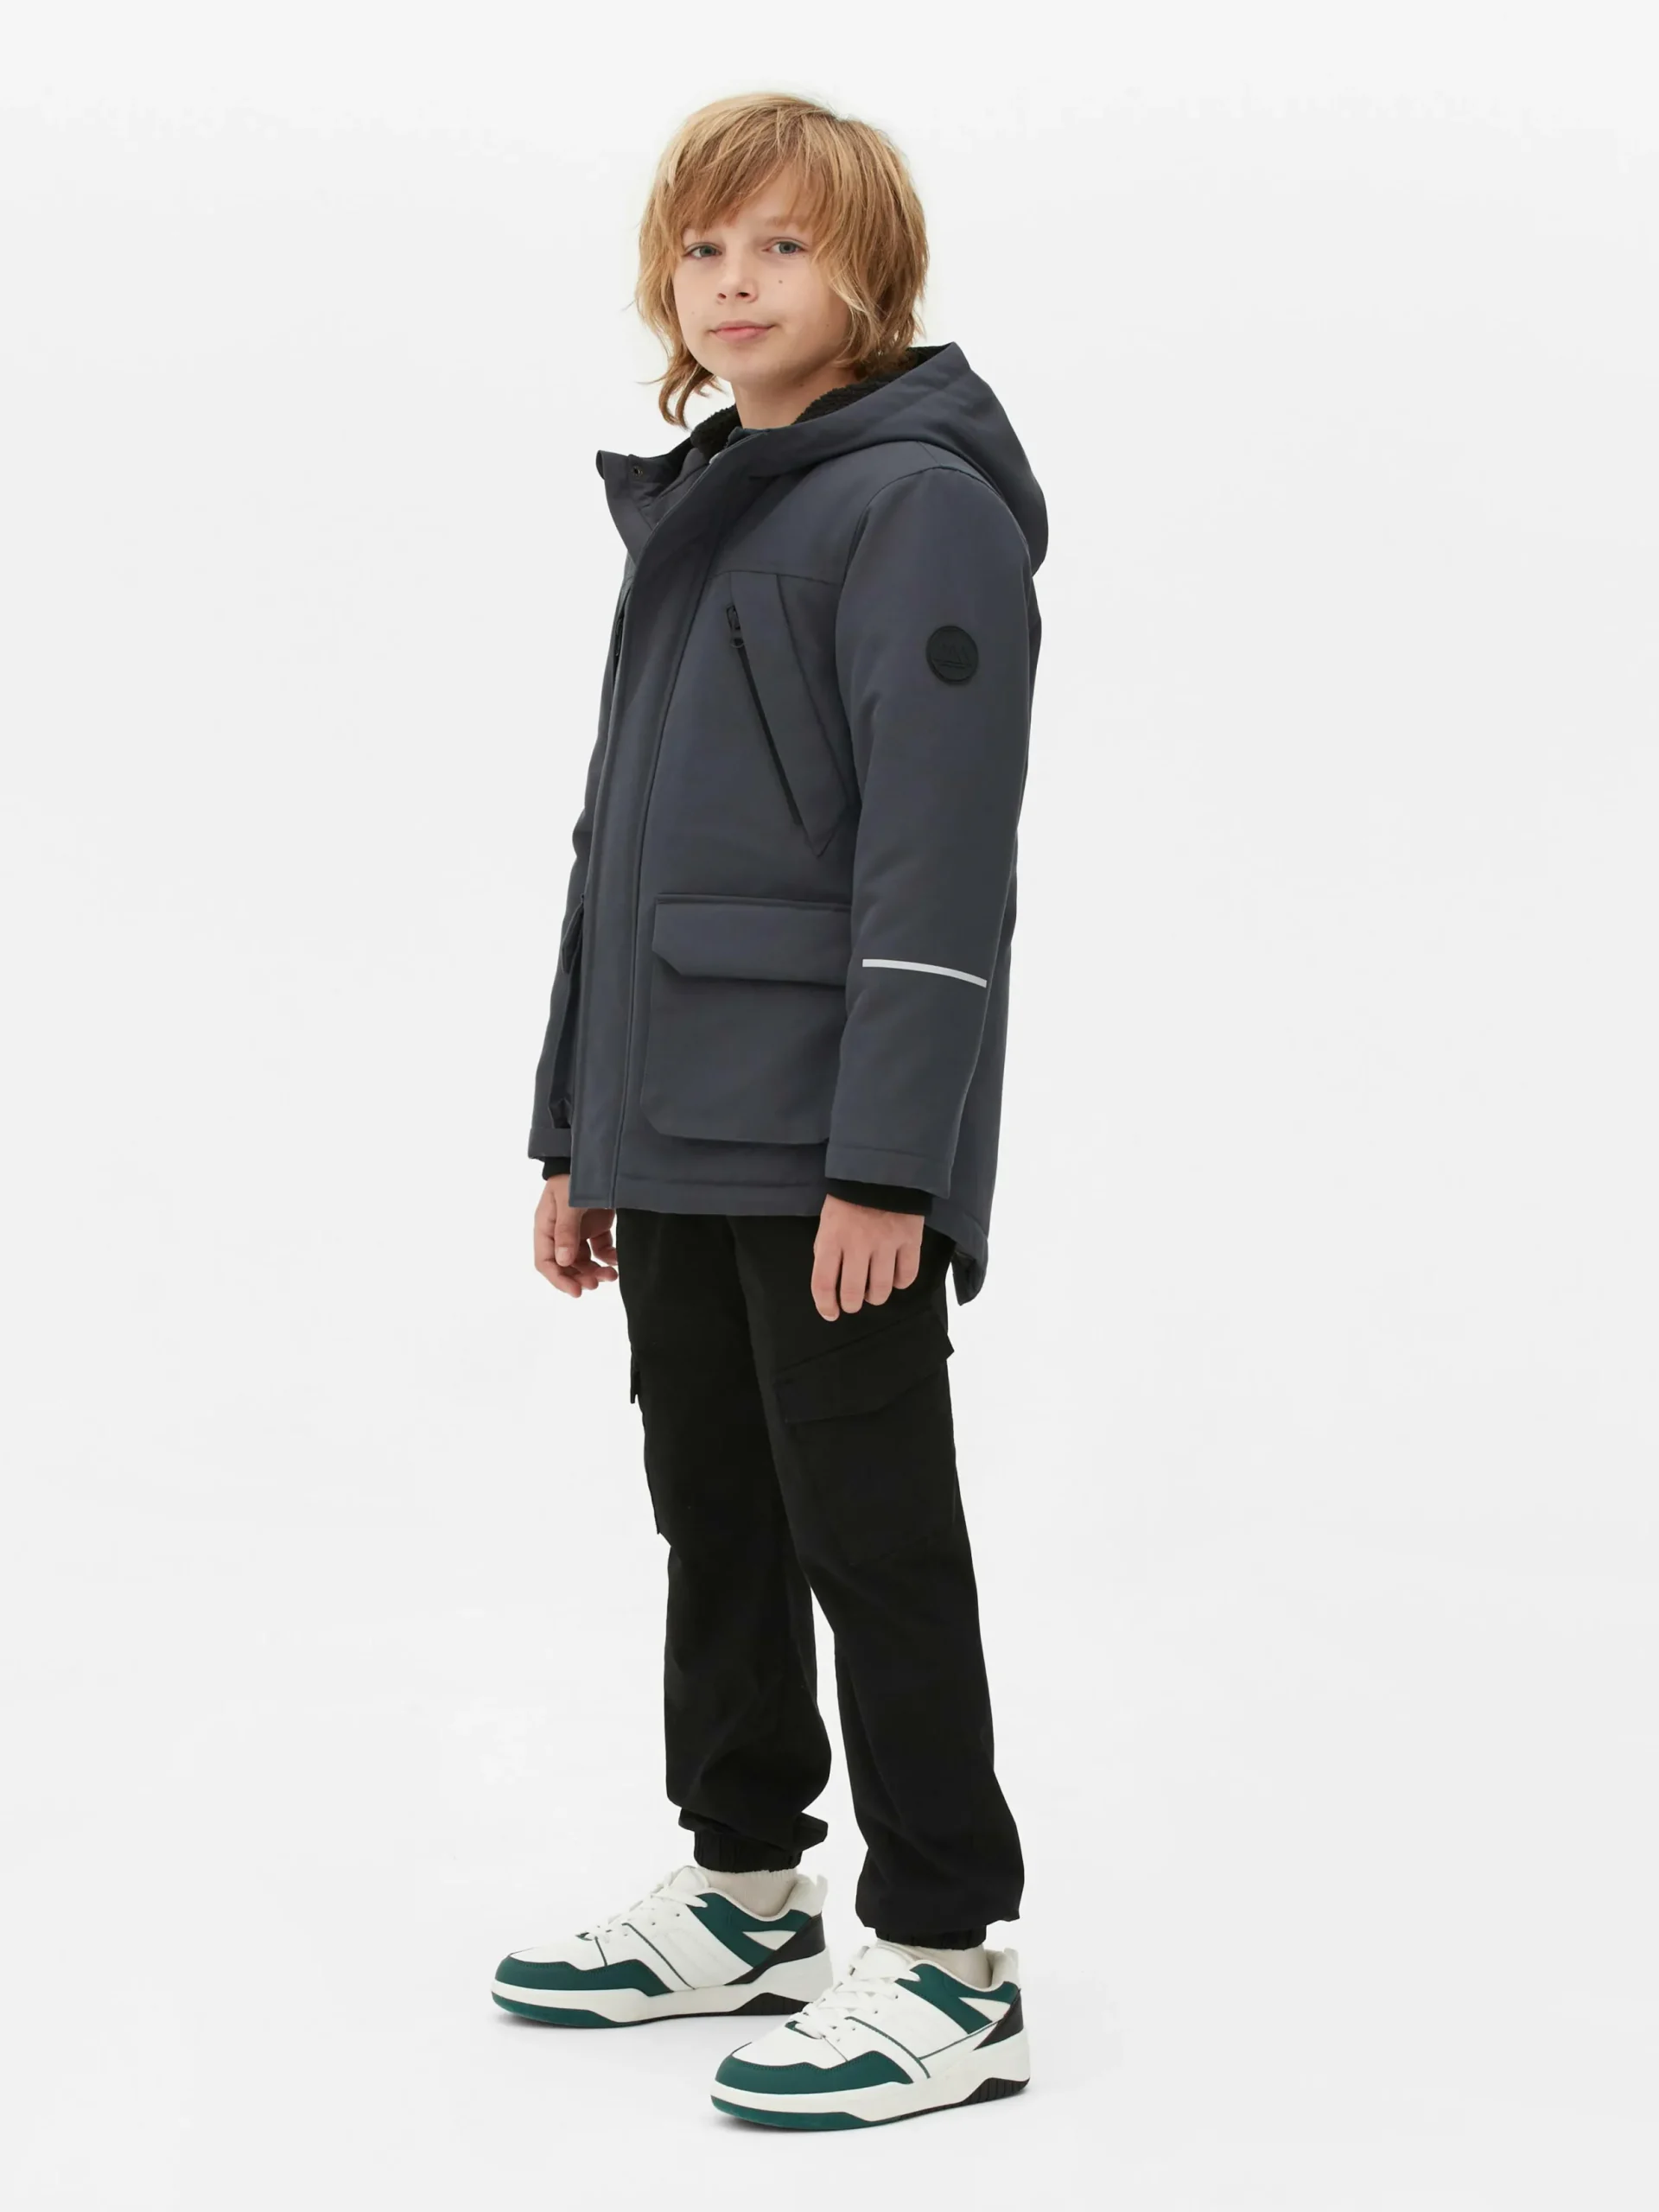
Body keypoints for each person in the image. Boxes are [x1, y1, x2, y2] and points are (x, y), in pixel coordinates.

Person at [492, 91, 1046, 2132]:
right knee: (714, 1507)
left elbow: (937, 859)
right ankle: (745, 1882)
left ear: (869, 272)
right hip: (676, 1125)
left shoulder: (917, 506)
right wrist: (578, 1126)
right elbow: (614, 849)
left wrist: (891, 1158)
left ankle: (949, 1953)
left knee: (870, 1531)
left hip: (827, 1142)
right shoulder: (718, 499)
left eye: (784, 246)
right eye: (706, 248)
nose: (733, 283)